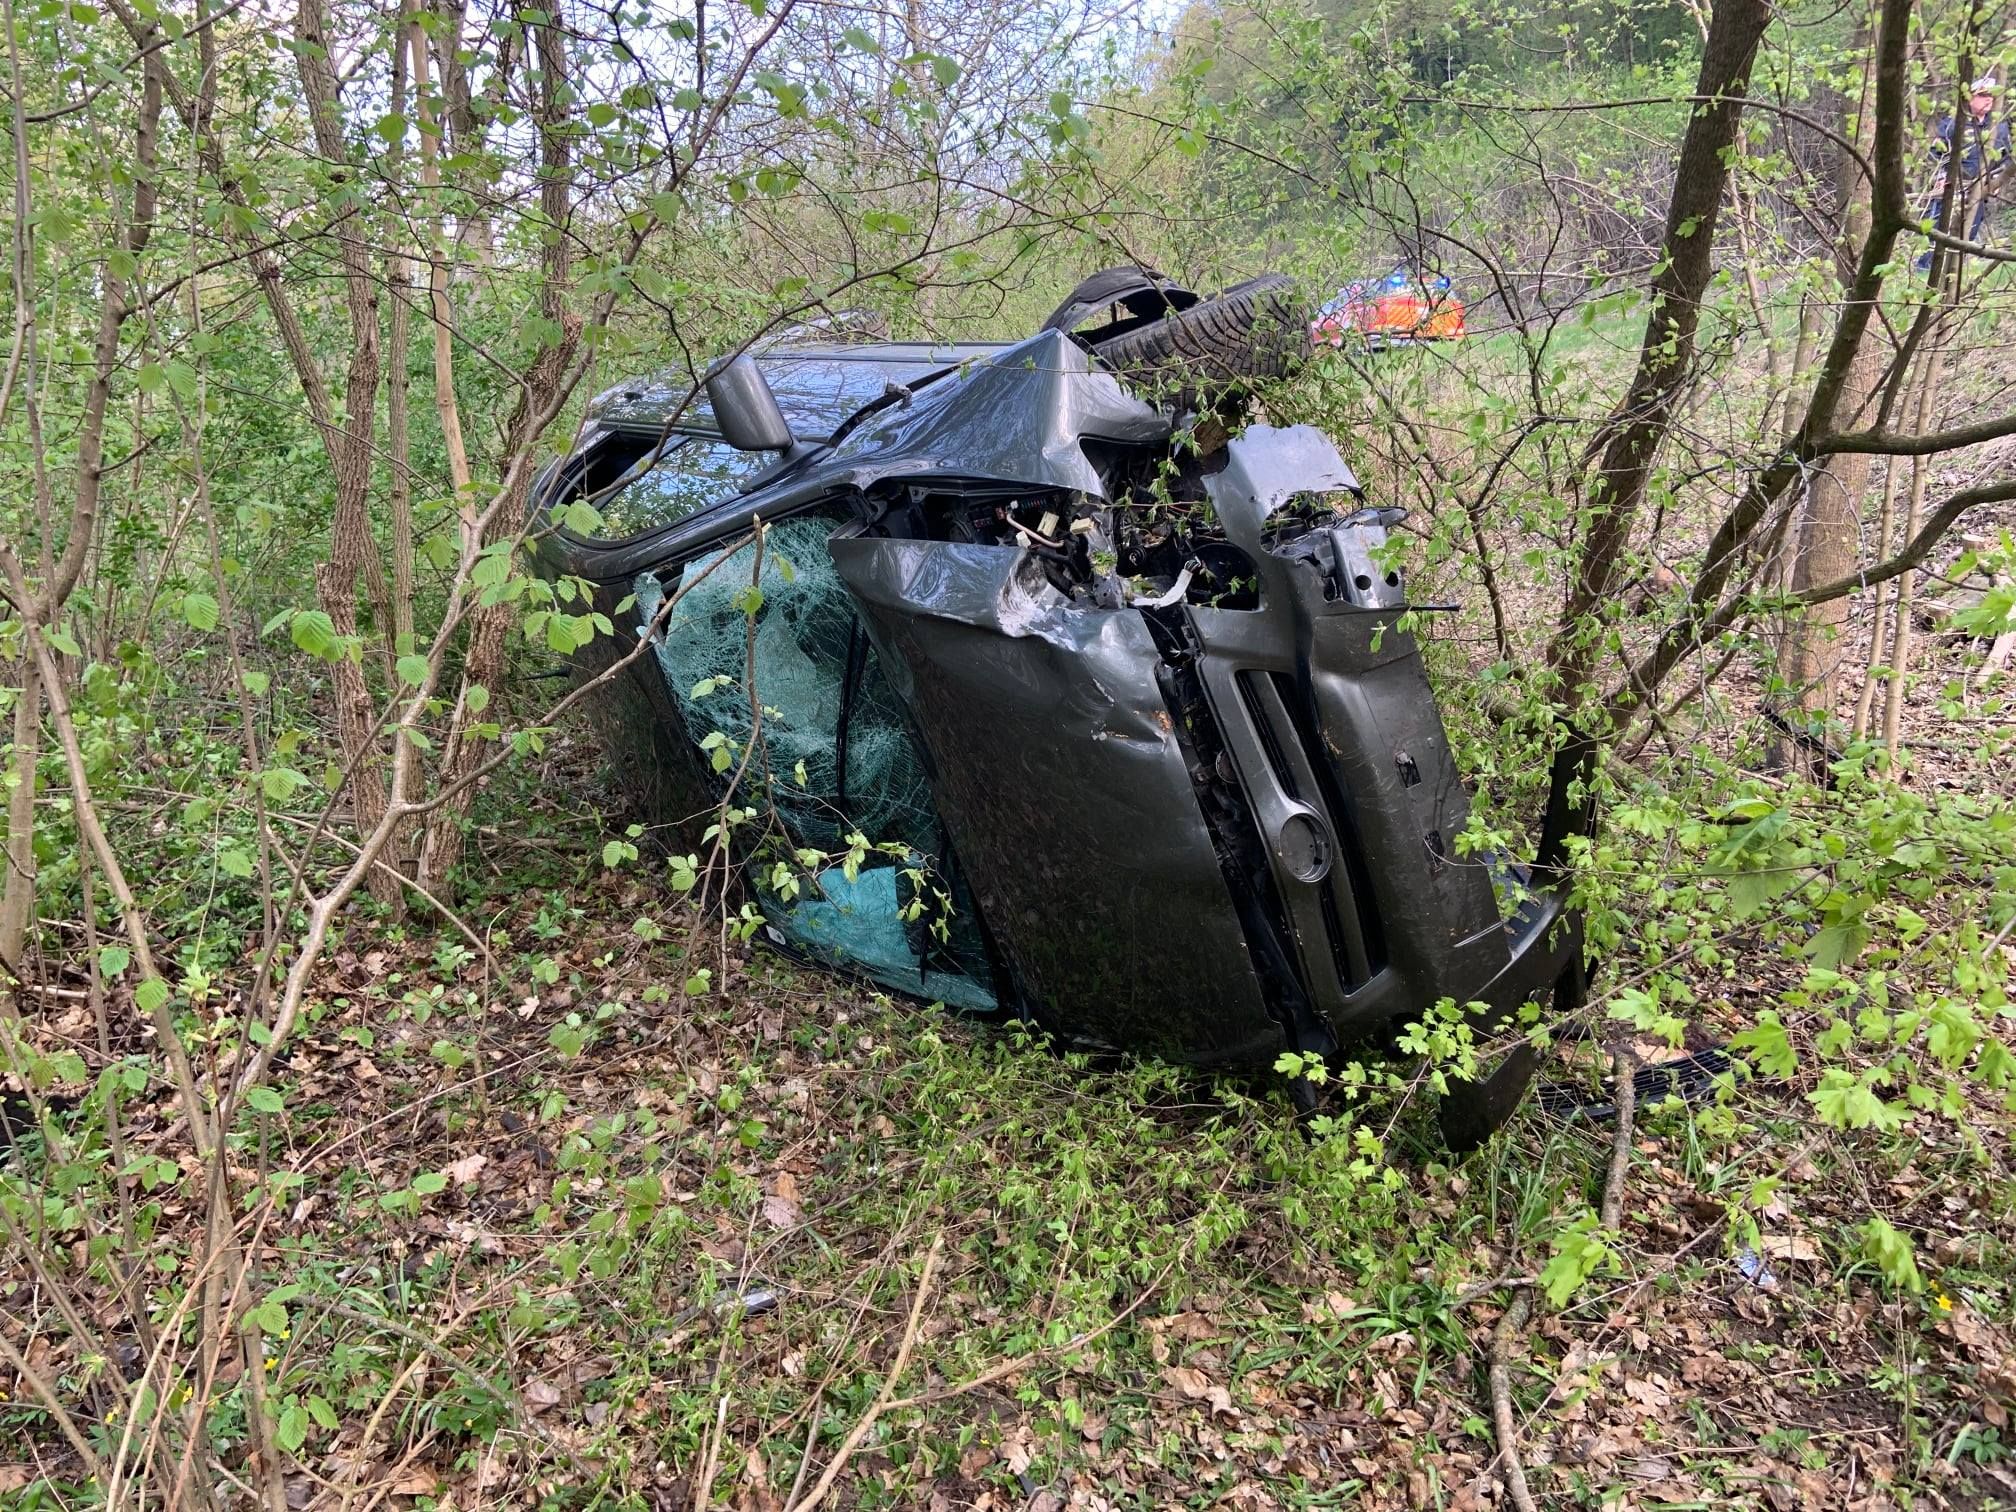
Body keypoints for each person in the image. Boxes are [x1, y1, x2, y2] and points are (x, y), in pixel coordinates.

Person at [1919, 76, 2012, 267]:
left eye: (1991, 95)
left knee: (1968, 232)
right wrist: (1941, 176)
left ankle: (1953, 272)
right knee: (1939, 231)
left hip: (1981, 189)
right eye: (1983, 95)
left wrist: (1995, 181)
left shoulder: (1999, 127)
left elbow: (2006, 158)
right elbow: (1936, 153)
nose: (1988, 99)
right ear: (1970, 97)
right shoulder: (1953, 124)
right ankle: (1925, 269)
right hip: (1952, 188)